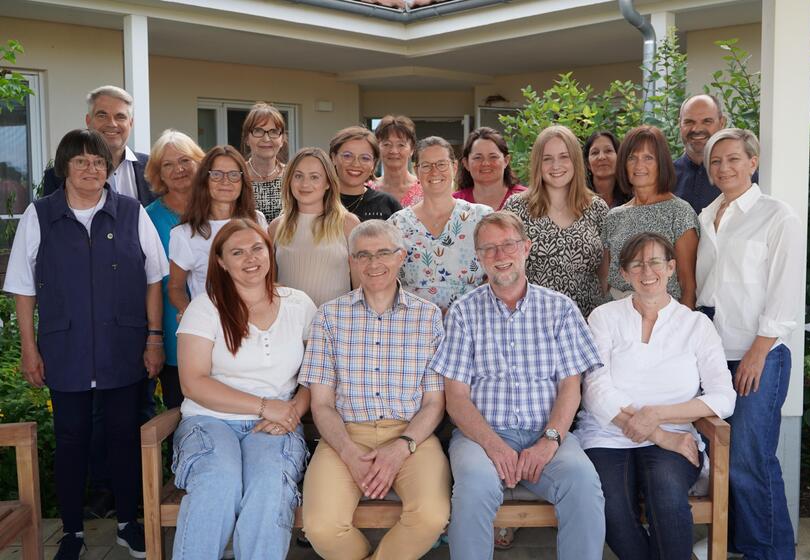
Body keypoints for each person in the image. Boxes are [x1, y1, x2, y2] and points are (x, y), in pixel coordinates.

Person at [4, 129, 168, 559]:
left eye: (98, 162)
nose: (91, 169)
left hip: (123, 346)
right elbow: (23, 288)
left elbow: (154, 279)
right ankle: (72, 533)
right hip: (65, 348)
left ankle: (128, 523)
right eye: (81, 162)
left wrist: (154, 339)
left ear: (108, 169)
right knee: (71, 440)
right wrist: (29, 348)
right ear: (65, 168)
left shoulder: (132, 212)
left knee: (124, 437)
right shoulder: (40, 215)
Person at [430, 211, 606, 559]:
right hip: (481, 437)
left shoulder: (560, 309)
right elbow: (457, 398)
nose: (500, 255)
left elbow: (570, 388)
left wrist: (550, 440)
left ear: (526, 247)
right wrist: (494, 446)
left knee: (583, 484)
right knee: (474, 488)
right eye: (489, 248)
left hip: (547, 432)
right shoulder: (463, 312)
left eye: (508, 245)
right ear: (479, 257)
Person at [577, 232, 736, 560]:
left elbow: (724, 396)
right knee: (610, 506)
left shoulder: (696, 325)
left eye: (655, 262)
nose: (647, 271)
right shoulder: (604, 317)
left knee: (666, 495)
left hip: (676, 435)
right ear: (624, 274)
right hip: (608, 435)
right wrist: (657, 433)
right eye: (636, 264)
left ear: (671, 268)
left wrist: (659, 416)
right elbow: (594, 389)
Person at [299, 220, 451, 560]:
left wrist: (401, 447)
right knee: (321, 527)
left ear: (401, 256)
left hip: (411, 436)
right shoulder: (329, 317)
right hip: (345, 434)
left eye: (383, 253)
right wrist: (348, 451)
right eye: (363, 255)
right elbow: (321, 404)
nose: (373, 263)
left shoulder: (427, 317)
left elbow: (434, 402)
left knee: (431, 516)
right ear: (351, 261)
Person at [171, 219, 316, 560]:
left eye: (257, 248)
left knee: (269, 486)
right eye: (237, 252)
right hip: (210, 420)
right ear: (221, 261)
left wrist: (293, 411)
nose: (250, 258)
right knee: (217, 480)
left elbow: (316, 373)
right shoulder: (205, 308)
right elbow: (193, 382)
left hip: (277, 423)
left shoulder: (299, 304)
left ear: (270, 252)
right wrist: (265, 406)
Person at [695, 128, 802, 559]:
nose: (724, 168)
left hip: (757, 354)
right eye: (716, 161)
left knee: (750, 459)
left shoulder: (777, 216)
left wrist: (758, 352)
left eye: (734, 159)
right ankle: (732, 541)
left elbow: (784, 292)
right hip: (712, 354)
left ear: (753, 162)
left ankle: (769, 552)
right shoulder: (706, 215)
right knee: (719, 456)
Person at [504, 125, 608, 317]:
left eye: (564, 156)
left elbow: (604, 273)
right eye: (547, 159)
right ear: (538, 163)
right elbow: (505, 266)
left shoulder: (597, 208)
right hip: (533, 320)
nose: (556, 165)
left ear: (575, 160)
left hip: (586, 321)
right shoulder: (516, 208)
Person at [388, 136, 492, 313]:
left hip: (472, 320)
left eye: (442, 164)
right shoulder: (396, 224)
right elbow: (387, 279)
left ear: (454, 167)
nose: (434, 171)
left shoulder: (482, 217)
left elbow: (498, 268)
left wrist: (463, 312)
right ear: (416, 170)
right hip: (413, 322)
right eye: (426, 166)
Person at [602, 125, 699, 308]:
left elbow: (688, 285)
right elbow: (605, 281)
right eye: (632, 158)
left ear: (661, 163)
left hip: (664, 315)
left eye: (648, 158)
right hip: (617, 314)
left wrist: (683, 323)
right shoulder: (613, 217)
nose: (639, 165)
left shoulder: (679, 212)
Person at [168, 146, 266, 321]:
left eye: (234, 175)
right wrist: (189, 313)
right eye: (216, 174)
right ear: (204, 180)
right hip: (212, 323)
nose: (225, 181)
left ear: (243, 181)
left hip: (258, 319)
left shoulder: (257, 220)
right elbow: (175, 287)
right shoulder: (184, 234)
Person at [144, 129, 205, 410]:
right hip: (171, 324)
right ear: (159, 174)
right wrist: (154, 337)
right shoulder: (147, 218)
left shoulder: (218, 207)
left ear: (199, 162)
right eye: (168, 164)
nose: (178, 169)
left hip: (220, 328)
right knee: (180, 411)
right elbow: (147, 281)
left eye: (185, 160)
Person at [269, 147, 360, 307]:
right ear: (289, 180)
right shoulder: (276, 227)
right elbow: (270, 285)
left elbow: (361, 287)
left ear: (328, 183)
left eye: (314, 177)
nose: (305, 184)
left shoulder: (348, 224)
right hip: (290, 319)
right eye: (298, 176)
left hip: (335, 319)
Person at [42, 85, 156, 205]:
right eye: (102, 116)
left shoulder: (153, 168)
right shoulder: (58, 175)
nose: (112, 124)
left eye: (120, 117)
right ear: (88, 121)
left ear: (131, 123)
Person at [674, 94, 754, 214]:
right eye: (689, 122)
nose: (697, 129)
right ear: (679, 124)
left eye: (707, 121)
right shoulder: (664, 176)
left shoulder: (744, 175)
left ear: (722, 123)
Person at [330, 126, 402, 221]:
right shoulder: (318, 200)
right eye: (347, 156)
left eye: (365, 158)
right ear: (334, 158)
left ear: (374, 163)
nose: (355, 164)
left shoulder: (388, 204)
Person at [453, 127, 526, 210]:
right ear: (466, 163)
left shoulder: (527, 200)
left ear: (506, 160)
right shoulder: (453, 204)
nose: (485, 163)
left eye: (493, 157)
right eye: (478, 157)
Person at [241, 102, 287, 222]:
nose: (266, 139)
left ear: (282, 139)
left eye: (274, 131)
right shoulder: (236, 176)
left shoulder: (293, 176)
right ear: (246, 138)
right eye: (258, 131)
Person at [371, 115, 424, 206]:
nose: (394, 151)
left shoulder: (425, 190)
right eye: (387, 144)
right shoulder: (367, 190)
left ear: (412, 149)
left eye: (401, 145)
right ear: (377, 148)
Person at [583, 130, 629, 209]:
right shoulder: (578, 199)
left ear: (619, 158)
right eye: (595, 152)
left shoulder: (631, 198)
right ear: (588, 164)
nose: (602, 157)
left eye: (608, 151)